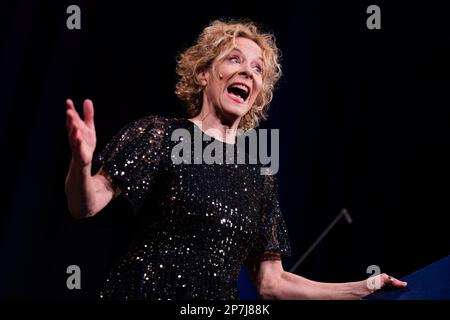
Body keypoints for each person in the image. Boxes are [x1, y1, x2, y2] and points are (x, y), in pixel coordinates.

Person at [64, 20, 406, 300]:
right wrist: (81, 164)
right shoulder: (159, 135)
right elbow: (86, 205)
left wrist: (359, 290)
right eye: (234, 59)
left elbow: (272, 283)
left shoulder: (259, 171)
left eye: (258, 68)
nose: (248, 72)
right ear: (203, 74)